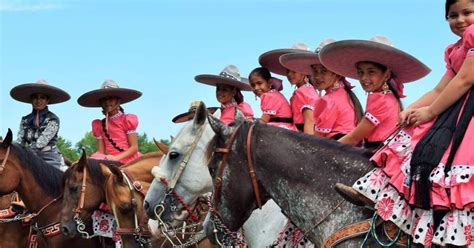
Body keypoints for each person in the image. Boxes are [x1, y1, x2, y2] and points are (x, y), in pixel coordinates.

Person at [326, 1, 474, 245]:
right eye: (452, 15)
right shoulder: (453, 49)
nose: (459, 20)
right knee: (416, 148)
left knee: (451, 171)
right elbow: (440, 88)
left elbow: (466, 80)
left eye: (467, 13)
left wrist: (429, 113)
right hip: (454, 109)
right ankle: (375, 195)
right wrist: (415, 108)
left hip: (466, 113)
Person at [319, 36, 430, 151]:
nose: (364, 78)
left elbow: (354, 138)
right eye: (361, 72)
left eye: (371, 72)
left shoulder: (379, 99)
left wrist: (322, 151)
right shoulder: (388, 96)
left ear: (386, 75)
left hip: (378, 155)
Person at [280, 39, 363, 139]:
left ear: (336, 73)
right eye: (315, 71)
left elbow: (317, 136)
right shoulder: (344, 94)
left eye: (323, 71)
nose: (318, 77)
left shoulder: (329, 99)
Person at [78, 80, 142, 164]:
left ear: (118, 101)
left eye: (111, 98)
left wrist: (116, 158)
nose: (107, 102)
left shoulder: (127, 120)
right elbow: (101, 152)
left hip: (128, 159)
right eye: (104, 99)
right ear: (100, 103)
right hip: (109, 160)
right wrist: (87, 159)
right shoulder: (99, 125)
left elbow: (134, 148)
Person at [10, 79, 70, 170]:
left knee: (62, 179)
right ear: (31, 99)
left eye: (42, 97)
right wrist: (12, 150)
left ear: (47, 100)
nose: (38, 101)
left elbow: (41, 143)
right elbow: (20, 141)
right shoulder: (25, 120)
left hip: (50, 158)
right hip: (29, 157)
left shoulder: (53, 119)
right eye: (35, 97)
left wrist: (25, 154)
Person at [259, 43, 318, 134]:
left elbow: (309, 122)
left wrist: (307, 146)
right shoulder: (305, 90)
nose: (289, 74)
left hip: (301, 137)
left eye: (294, 70)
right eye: (288, 70)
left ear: (304, 71)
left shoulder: (304, 92)